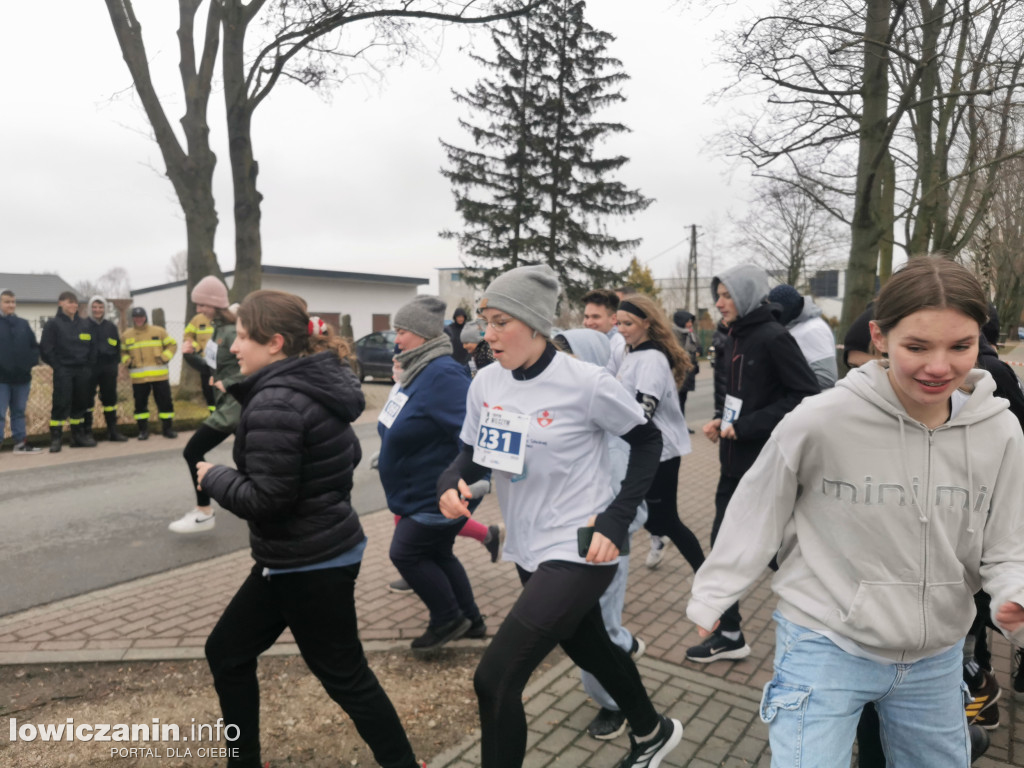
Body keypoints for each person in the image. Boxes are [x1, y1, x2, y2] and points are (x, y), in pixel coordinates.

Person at [687, 257, 1024, 768]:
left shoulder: (1000, 432)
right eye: (917, 346)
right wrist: (715, 591)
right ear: (879, 337)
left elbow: (1007, 540)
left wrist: (1013, 593)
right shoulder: (822, 419)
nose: (939, 366)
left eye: (960, 345)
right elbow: (759, 503)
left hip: (936, 656)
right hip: (825, 640)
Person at [438, 265, 683, 768]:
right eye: (486, 320)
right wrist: (450, 484)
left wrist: (616, 520)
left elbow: (647, 440)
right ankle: (651, 730)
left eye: (500, 321)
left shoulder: (585, 383)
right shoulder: (486, 382)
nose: (488, 334)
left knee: (495, 679)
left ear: (533, 324)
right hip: (528, 546)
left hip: (580, 545)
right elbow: (472, 453)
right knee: (590, 646)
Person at [197, 290, 423, 768]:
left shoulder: (276, 402)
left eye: (242, 337)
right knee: (227, 652)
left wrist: (214, 477)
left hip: (308, 562)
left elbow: (267, 500)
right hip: (298, 554)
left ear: (275, 342)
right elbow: (345, 459)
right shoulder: (316, 385)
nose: (234, 347)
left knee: (345, 674)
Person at [686, 264, 819, 663]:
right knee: (727, 545)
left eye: (726, 295)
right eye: (718, 295)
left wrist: (745, 427)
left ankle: (820, 619)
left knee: (775, 551)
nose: (718, 303)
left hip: (764, 466)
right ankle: (729, 632)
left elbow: (805, 395)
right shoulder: (733, 337)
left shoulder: (774, 337)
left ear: (745, 296)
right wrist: (720, 423)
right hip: (733, 463)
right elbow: (734, 395)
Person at [555, 328, 649, 741]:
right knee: (590, 627)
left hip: (601, 545)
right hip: (565, 541)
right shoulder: (561, 410)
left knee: (597, 629)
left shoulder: (609, 424)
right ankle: (624, 647)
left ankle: (616, 706)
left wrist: (606, 536)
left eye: (565, 360)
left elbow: (630, 505)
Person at [378, 295, 485, 651]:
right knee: (439, 554)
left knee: (405, 553)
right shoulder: (417, 369)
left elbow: (472, 435)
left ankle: (448, 618)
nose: (396, 339)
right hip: (419, 490)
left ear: (422, 335)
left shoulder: (441, 374)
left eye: (401, 331)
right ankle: (472, 621)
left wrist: (457, 481)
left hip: (435, 492)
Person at [616, 295, 704, 577]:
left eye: (628, 323)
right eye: (618, 323)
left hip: (660, 452)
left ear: (647, 322)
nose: (621, 329)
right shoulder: (632, 353)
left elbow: (644, 411)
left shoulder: (652, 358)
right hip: (644, 450)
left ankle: (706, 578)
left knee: (667, 520)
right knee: (652, 517)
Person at [169, 277, 243, 534]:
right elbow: (212, 368)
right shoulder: (218, 331)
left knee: (192, 451)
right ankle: (261, 507)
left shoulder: (233, 331)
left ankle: (204, 511)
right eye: (197, 306)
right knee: (248, 459)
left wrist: (231, 383)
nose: (198, 311)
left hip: (234, 408)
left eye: (202, 305)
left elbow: (253, 368)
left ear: (216, 304)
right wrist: (190, 357)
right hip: (226, 405)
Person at [40, 291, 97, 452]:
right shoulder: (53, 324)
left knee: (80, 404)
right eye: (69, 302)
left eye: (75, 303)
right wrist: (58, 366)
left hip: (83, 371)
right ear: (60, 303)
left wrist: (88, 366)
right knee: (61, 403)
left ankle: (77, 437)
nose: (73, 305)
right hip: (63, 370)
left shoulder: (85, 324)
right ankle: (56, 439)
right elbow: (46, 349)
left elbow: (93, 347)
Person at [121, 307, 177, 440]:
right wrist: (127, 360)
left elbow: (172, 345)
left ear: (145, 317)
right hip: (139, 378)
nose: (139, 320)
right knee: (140, 405)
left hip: (159, 376)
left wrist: (165, 357)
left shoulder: (158, 331)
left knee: (165, 403)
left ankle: (167, 429)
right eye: (136, 317)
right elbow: (122, 352)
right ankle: (143, 431)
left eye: (141, 317)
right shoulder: (126, 335)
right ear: (133, 319)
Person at [768, 284, 839, 389]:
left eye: (775, 311)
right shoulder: (796, 325)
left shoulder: (812, 329)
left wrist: (781, 384)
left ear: (786, 309)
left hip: (813, 401)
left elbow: (827, 377)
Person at [0, 289, 42, 454]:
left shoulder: (23, 324)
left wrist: (28, 364)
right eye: (6, 302)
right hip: (1, 379)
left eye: (12, 302)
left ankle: (20, 443)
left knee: (18, 412)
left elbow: (34, 347)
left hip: (22, 379)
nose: (10, 305)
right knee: (0, 414)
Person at [86, 296, 127, 442]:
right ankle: (87, 432)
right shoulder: (83, 325)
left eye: (101, 307)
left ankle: (112, 431)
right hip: (89, 369)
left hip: (108, 369)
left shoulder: (110, 327)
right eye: (95, 307)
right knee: (87, 402)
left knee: (110, 400)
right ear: (90, 308)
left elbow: (117, 347)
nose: (98, 310)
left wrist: (114, 365)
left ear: (105, 309)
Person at [582, 288, 626, 375]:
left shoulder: (620, 348)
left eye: (595, 317)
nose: (588, 323)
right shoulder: (585, 344)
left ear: (614, 319)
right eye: (586, 317)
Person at [183, 308, 218, 415]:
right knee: (208, 391)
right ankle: (214, 416)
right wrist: (197, 348)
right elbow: (187, 336)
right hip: (206, 362)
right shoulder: (197, 319)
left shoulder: (223, 317)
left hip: (222, 362)